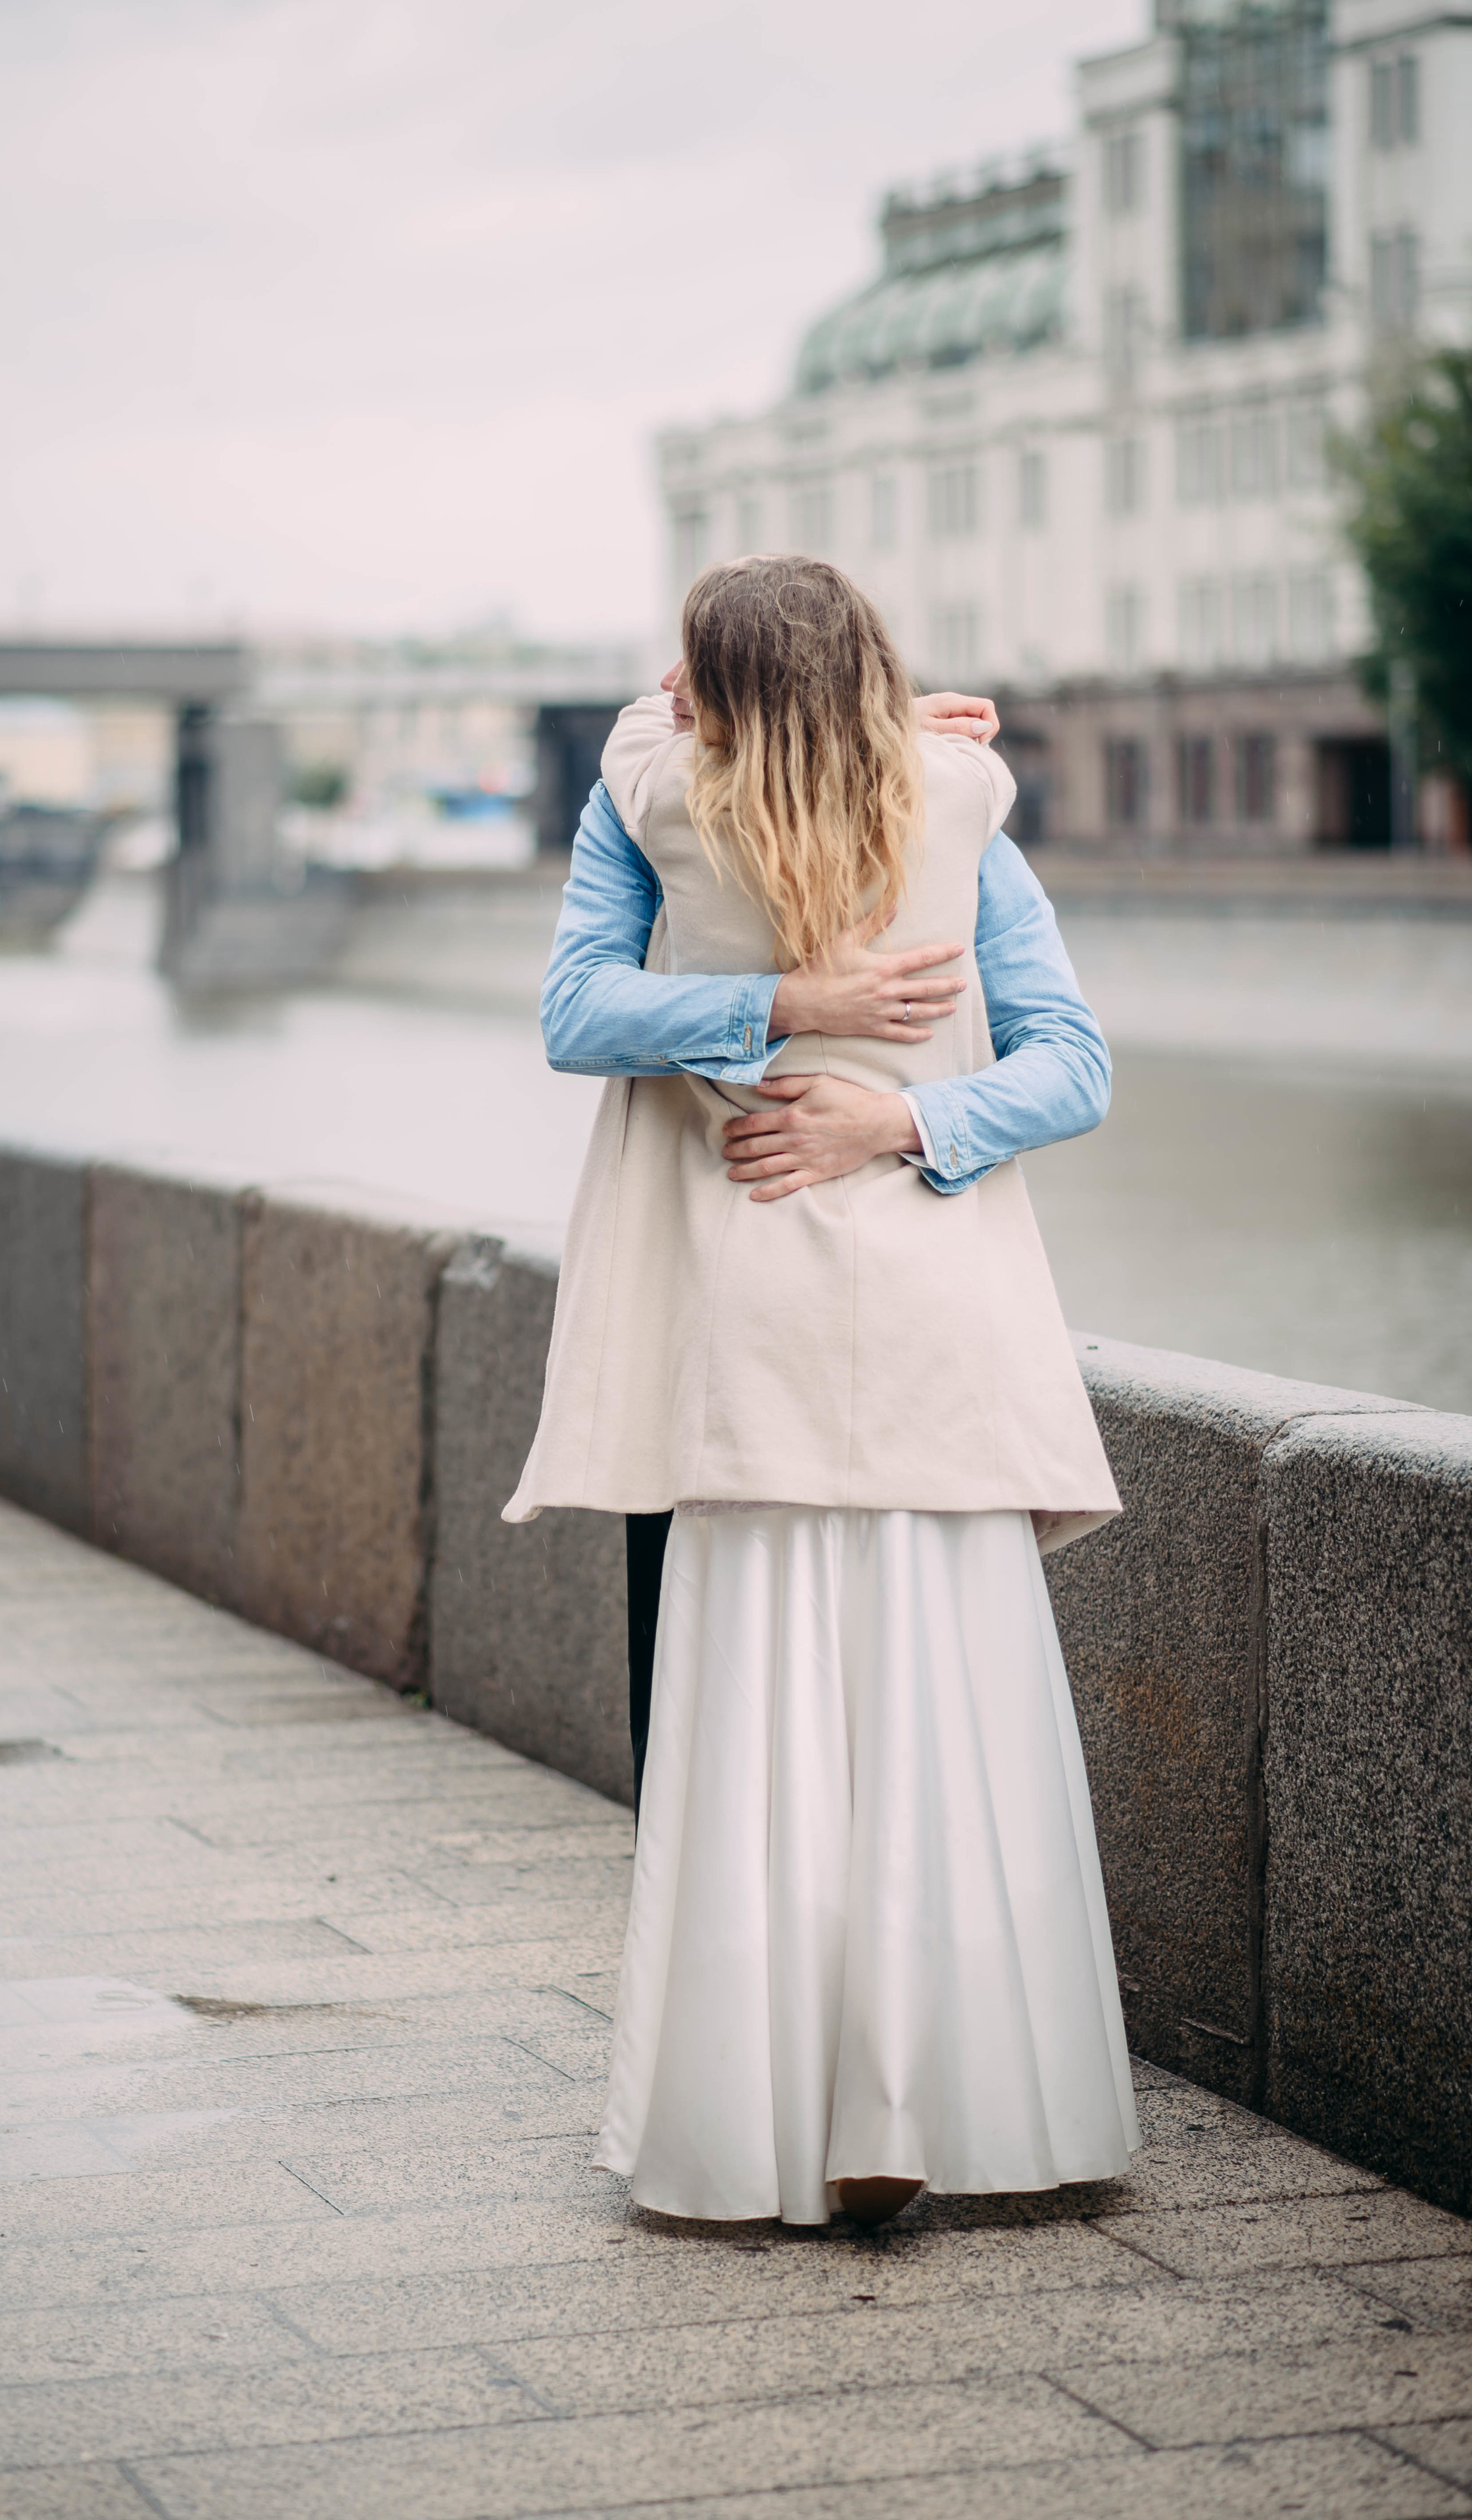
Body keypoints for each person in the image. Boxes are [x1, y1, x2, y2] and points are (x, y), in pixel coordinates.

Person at [504, 555, 1137, 2227]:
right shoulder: (957, 801)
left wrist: (813, 1059)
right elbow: (1069, 1065)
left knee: (748, 1738)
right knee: (950, 1726)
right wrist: (906, 1110)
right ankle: (960, 2107)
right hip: (927, 1339)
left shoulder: (649, 800)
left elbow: (575, 1009)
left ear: (708, 688)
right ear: (867, 664)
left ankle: (762, 2115)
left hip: (739, 1348)